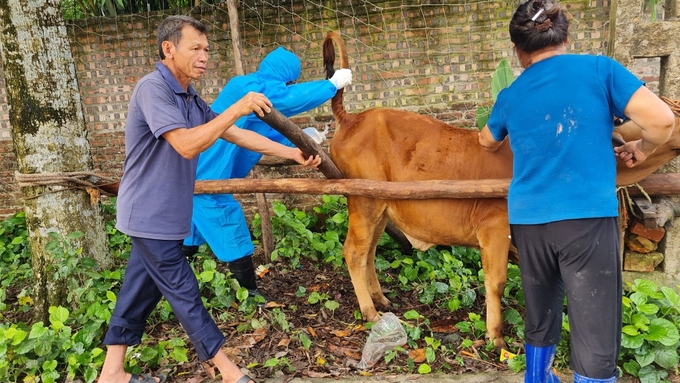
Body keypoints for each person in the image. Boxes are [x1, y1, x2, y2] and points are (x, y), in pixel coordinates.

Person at [97, 15, 320, 383]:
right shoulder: (153, 89)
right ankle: (230, 372)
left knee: (139, 290)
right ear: (169, 49)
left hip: (166, 213)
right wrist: (238, 105)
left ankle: (112, 373)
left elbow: (231, 133)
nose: (204, 57)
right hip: (149, 214)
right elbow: (186, 144)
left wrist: (290, 153)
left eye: (206, 50)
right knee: (185, 293)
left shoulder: (188, 95)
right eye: (195, 48)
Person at [477, 1, 674, 382]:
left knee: (541, 310)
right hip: (585, 218)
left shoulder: (511, 95)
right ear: (566, 37)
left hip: (529, 221)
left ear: (518, 51)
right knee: (595, 323)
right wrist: (641, 149)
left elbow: (486, 141)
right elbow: (662, 119)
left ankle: (537, 377)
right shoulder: (599, 70)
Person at [182, 47, 352, 300]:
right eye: (290, 82)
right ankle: (250, 295)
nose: (290, 86)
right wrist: (330, 85)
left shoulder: (256, 101)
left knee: (192, 229)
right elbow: (281, 100)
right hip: (205, 172)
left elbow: (263, 132)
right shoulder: (246, 87)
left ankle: (179, 286)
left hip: (203, 170)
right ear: (285, 78)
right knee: (226, 221)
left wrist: (303, 138)